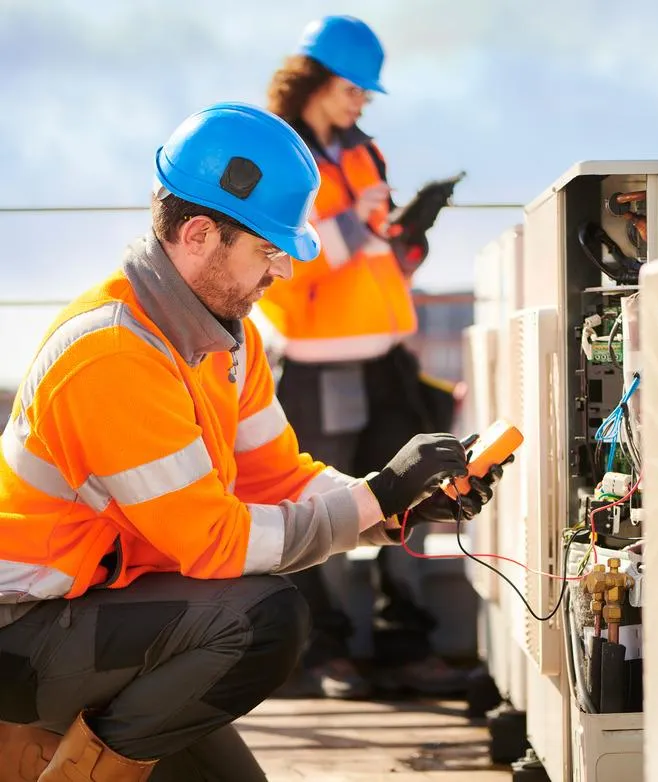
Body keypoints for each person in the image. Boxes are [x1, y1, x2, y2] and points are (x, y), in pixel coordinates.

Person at [0, 103, 505, 781]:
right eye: (269, 250)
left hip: (104, 611)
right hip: (23, 634)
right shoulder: (113, 353)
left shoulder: (229, 338)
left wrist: (394, 508)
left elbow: (278, 476)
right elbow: (218, 544)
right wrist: (375, 493)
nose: (284, 272)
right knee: (263, 619)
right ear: (200, 234)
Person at [256, 15, 472, 701]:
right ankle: (324, 655)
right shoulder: (277, 158)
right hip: (319, 364)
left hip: (385, 357)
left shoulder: (364, 153)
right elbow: (288, 260)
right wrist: (355, 223)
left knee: (408, 495)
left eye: (366, 93)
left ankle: (404, 646)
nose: (361, 102)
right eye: (354, 88)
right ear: (313, 79)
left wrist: (412, 229)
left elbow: (383, 260)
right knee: (320, 500)